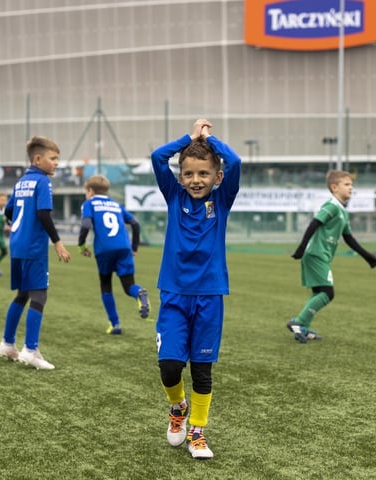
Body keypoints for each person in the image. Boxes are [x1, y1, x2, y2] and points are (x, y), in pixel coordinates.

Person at [150, 119, 240, 460]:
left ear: (216, 177)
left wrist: (210, 140)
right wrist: (189, 138)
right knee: (170, 365)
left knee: (202, 369)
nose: (195, 180)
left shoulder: (223, 200)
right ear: (180, 177)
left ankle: (198, 432)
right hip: (173, 294)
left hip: (210, 295)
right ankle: (178, 408)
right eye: (188, 174)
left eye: (203, 174)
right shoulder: (173, 195)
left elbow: (237, 163)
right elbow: (159, 157)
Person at [0, 136, 71, 370]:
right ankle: (30, 350)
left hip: (17, 245)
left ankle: (7, 344)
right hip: (34, 247)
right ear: (38, 159)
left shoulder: (21, 182)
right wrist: (57, 242)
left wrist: (21, 225)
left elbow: (8, 211)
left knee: (22, 294)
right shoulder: (43, 182)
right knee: (39, 296)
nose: (57, 163)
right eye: (53, 158)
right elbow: (43, 214)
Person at [287, 170, 376, 344]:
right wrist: (301, 248)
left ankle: (303, 328)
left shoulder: (342, 212)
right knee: (328, 293)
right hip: (316, 254)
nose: (351, 188)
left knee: (318, 293)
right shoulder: (331, 206)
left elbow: (349, 238)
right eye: (347, 184)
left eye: (351, 184)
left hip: (321, 255)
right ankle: (298, 322)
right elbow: (314, 223)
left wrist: (368, 256)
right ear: (334, 187)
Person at [77, 174, 150, 335]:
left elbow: (86, 224)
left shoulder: (89, 203)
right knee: (129, 285)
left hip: (104, 249)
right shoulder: (117, 205)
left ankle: (115, 324)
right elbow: (135, 223)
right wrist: (134, 246)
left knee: (105, 285)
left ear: (90, 191)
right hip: (124, 247)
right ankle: (139, 293)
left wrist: (81, 245)